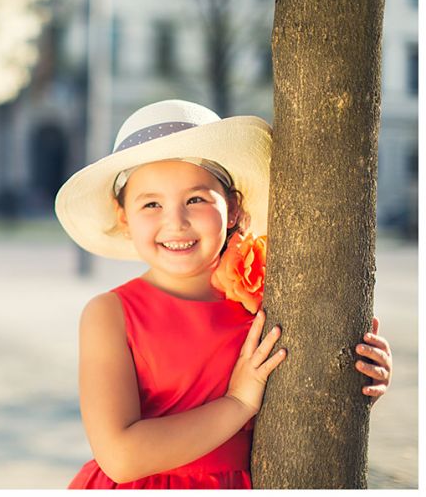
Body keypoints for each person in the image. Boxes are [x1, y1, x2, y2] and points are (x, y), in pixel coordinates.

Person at [54, 100, 393, 489]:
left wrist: (359, 381)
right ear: (124, 218)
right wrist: (237, 404)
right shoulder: (110, 314)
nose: (175, 222)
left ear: (232, 208)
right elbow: (120, 457)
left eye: (196, 199)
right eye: (151, 204)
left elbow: (308, 400)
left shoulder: (268, 300)